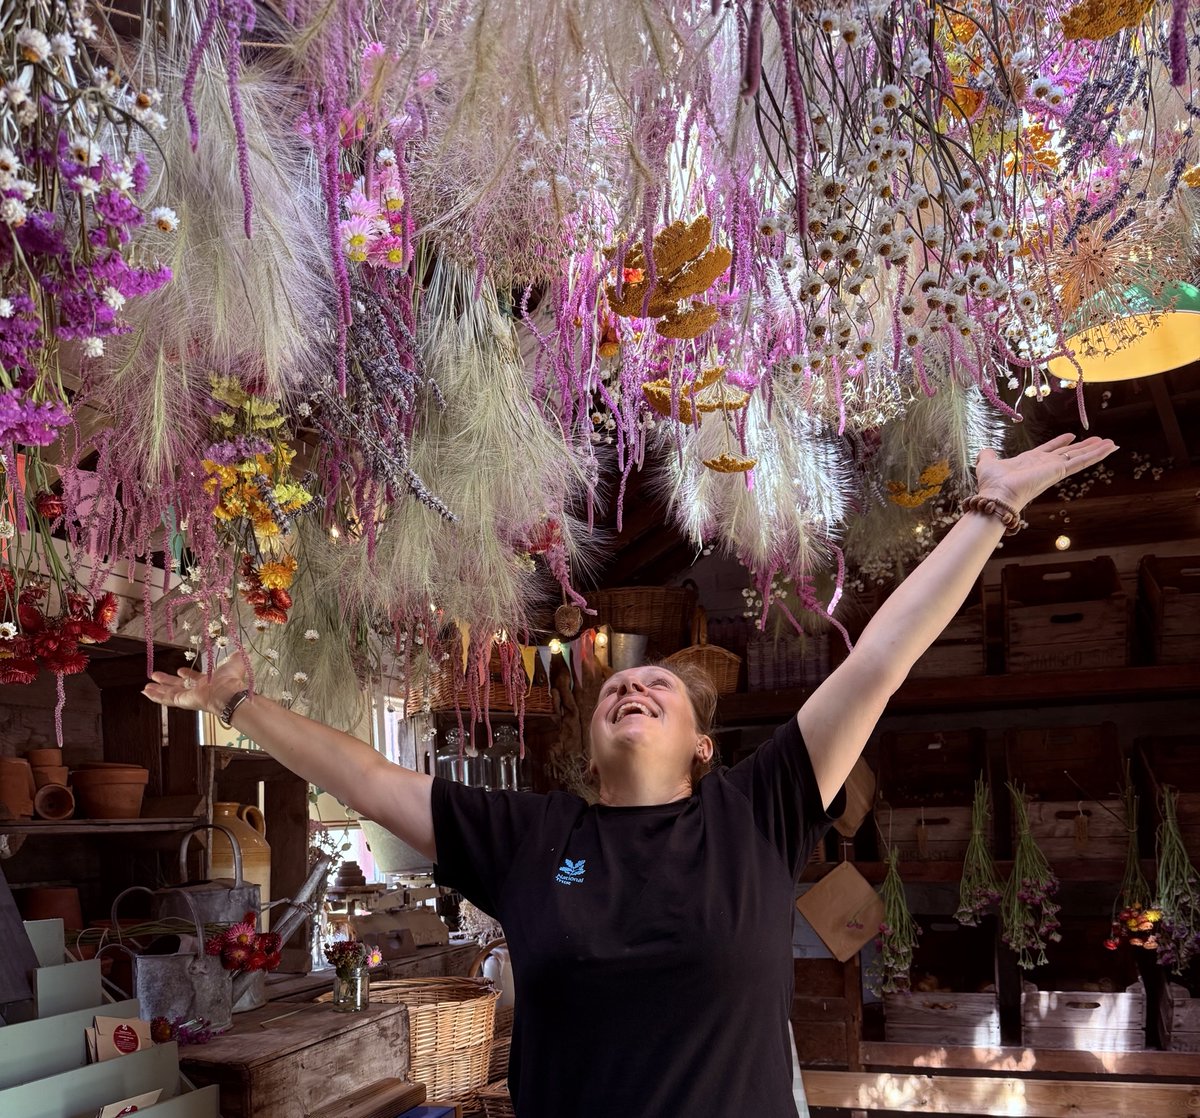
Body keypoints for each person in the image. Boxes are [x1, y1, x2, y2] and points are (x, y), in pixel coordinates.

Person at [144, 432, 1116, 1118]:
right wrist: (238, 705)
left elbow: (877, 661)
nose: (633, 687)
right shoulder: (529, 838)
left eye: (659, 685)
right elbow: (364, 776)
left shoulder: (758, 811)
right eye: (619, 685)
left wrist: (990, 507)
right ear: (592, 727)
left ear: (703, 742)